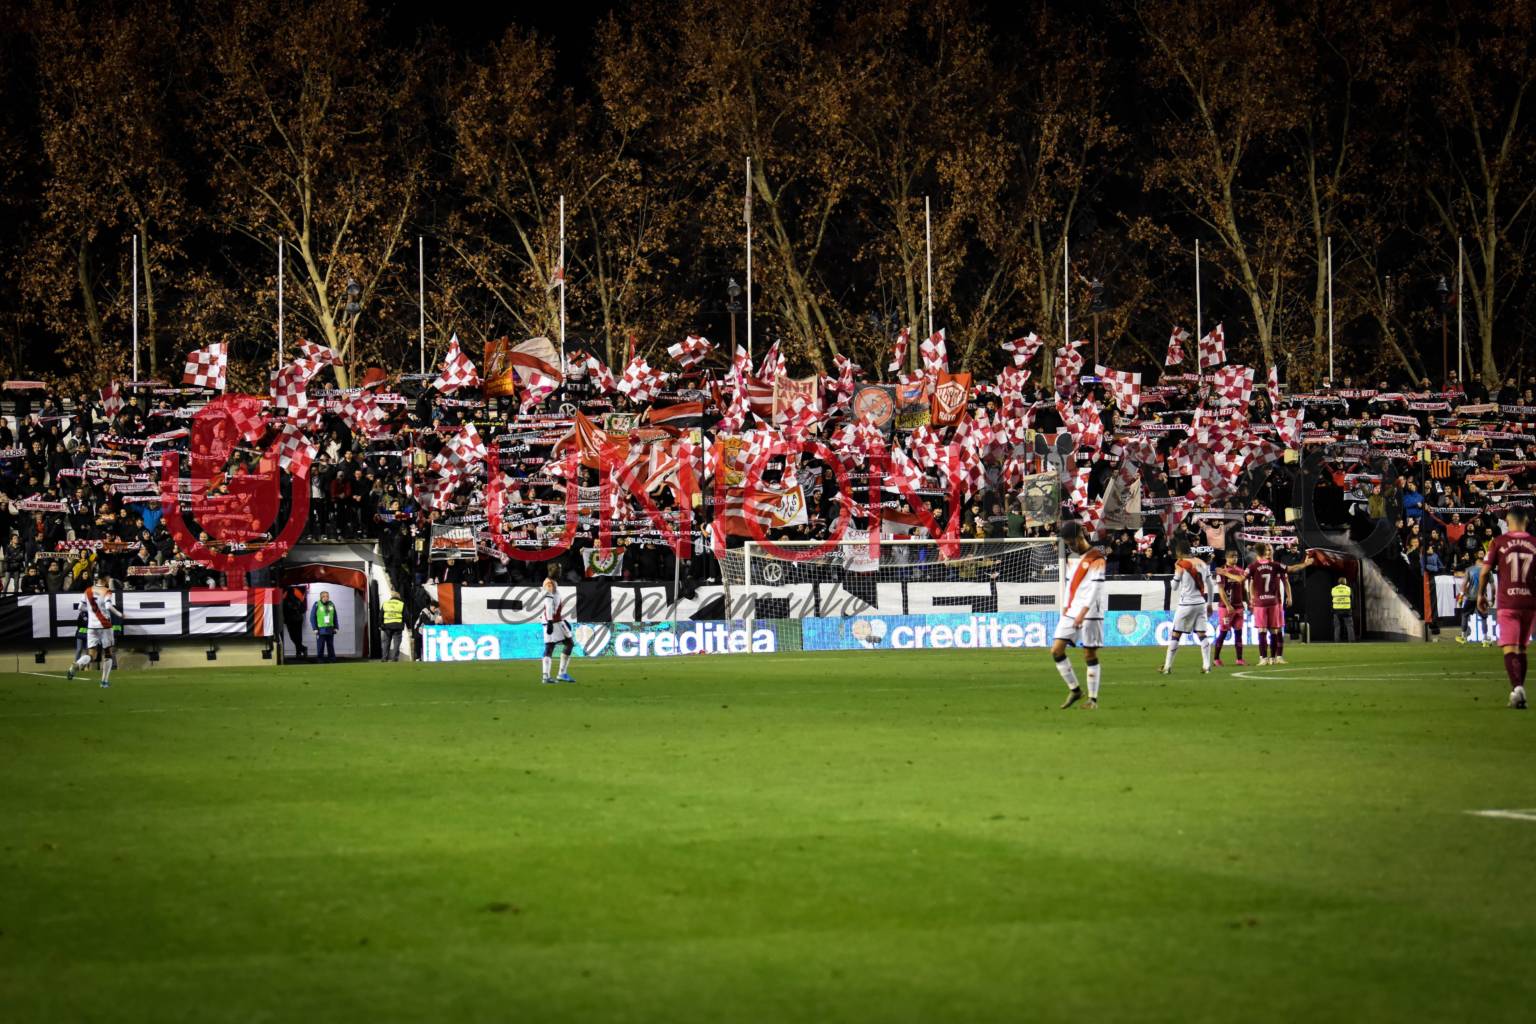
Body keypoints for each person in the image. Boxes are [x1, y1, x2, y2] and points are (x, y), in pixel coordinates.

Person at [1475, 506, 1536, 709]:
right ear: (1525, 522)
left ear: (1508, 522)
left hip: (1508, 603)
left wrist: (1481, 595)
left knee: (1509, 648)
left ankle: (1517, 688)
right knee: (1522, 648)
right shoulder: (1534, 543)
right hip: (1529, 603)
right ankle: (1519, 689)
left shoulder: (1499, 542)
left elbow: (1484, 572)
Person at [1051, 520, 1105, 710]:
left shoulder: (1097, 557)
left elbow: (1096, 588)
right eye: (1067, 543)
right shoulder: (1072, 557)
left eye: (1072, 541)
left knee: (1089, 653)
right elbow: (1068, 583)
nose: (1071, 545)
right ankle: (1075, 690)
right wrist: (1066, 606)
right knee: (1056, 650)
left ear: (1081, 535)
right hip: (1071, 611)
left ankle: (1093, 699)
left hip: (1090, 612)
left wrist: (1083, 611)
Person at [1161, 538, 1213, 674]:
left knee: (1176, 634)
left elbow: (1174, 586)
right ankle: (1207, 665)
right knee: (1202, 634)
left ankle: (1167, 667)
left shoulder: (1181, 564)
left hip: (1186, 604)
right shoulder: (1202, 562)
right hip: (1201, 603)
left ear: (1179, 552)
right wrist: (1209, 604)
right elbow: (1210, 585)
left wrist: (1173, 575)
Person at [66, 575, 119, 688]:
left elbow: (80, 607)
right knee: (108, 653)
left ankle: (77, 664)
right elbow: (109, 606)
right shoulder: (106, 591)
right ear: (104, 581)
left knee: (92, 654)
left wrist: (92, 611)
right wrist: (120, 614)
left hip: (91, 626)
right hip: (104, 625)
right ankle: (104, 682)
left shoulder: (87, 590)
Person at [1247, 542, 1291, 665]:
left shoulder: (1277, 566)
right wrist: (1252, 597)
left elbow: (1285, 581)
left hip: (1277, 600)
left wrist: (1289, 596)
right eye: (1266, 550)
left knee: (1277, 629)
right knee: (1266, 629)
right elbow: (1251, 583)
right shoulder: (1257, 566)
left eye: (1270, 550)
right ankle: (1266, 657)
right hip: (1262, 601)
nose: (1268, 552)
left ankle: (1278, 656)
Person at [1212, 549, 1248, 667]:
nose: (1235, 558)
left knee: (1239, 633)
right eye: (1232, 556)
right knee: (1223, 632)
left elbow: (1243, 588)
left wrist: (1247, 602)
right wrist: (1228, 605)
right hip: (1225, 608)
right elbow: (1221, 590)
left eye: (1236, 556)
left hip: (1238, 607)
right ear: (1227, 558)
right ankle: (1216, 658)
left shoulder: (1239, 571)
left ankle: (1239, 659)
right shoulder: (1221, 572)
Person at [540, 564, 575, 684]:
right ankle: (554, 675)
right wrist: (550, 621)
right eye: (558, 570)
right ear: (553, 571)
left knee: (564, 644)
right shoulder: (549, 584)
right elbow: (548, 603)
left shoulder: (552, 582)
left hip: (556, 619)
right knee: (555, 646)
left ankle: (555, 674)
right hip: (553, 620)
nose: (560, 572)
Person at [311, 590, 339, 663]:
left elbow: (335, 616)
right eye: (325, 596)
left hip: (330, 628)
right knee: (320, 645)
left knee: (330, 645)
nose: (327, 598)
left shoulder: (331, 604)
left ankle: (332, 659)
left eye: (327, 596)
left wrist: (336, 627)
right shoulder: (317, 604)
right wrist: (314, 628)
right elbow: (312, 617)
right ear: (321, 597)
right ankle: (320, 660)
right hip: (320, 629)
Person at [282, 586, 308, 659]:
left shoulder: (285, 600)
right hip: (297, 619)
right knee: (297, 636)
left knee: (293, 636)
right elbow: (303, 609)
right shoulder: (298, 599)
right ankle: (301, 649)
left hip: (291, 620)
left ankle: (300, 651)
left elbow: (283, 611)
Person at [380, 588, 405, 662]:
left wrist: (381, 625)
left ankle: (384, 658)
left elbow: (380, 615)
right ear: (398, 597)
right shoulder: (401, 604)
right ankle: (394, 658)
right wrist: (404, 624)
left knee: (386, 643)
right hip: (397, 626)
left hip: (387, 626)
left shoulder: (385, 603)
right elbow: (406, 616)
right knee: (396, 643)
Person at [1331, 576, 1356, 643]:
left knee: (1337, 627)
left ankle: (1337, 641)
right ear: (1345, 582)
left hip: (1336, 610)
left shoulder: (1333, 589)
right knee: (1349, 626)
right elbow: (1352, 600)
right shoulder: (1348, 589)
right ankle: (1351, 641)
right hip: (1346, 610)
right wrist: (1352, 608)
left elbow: (1332, 599)